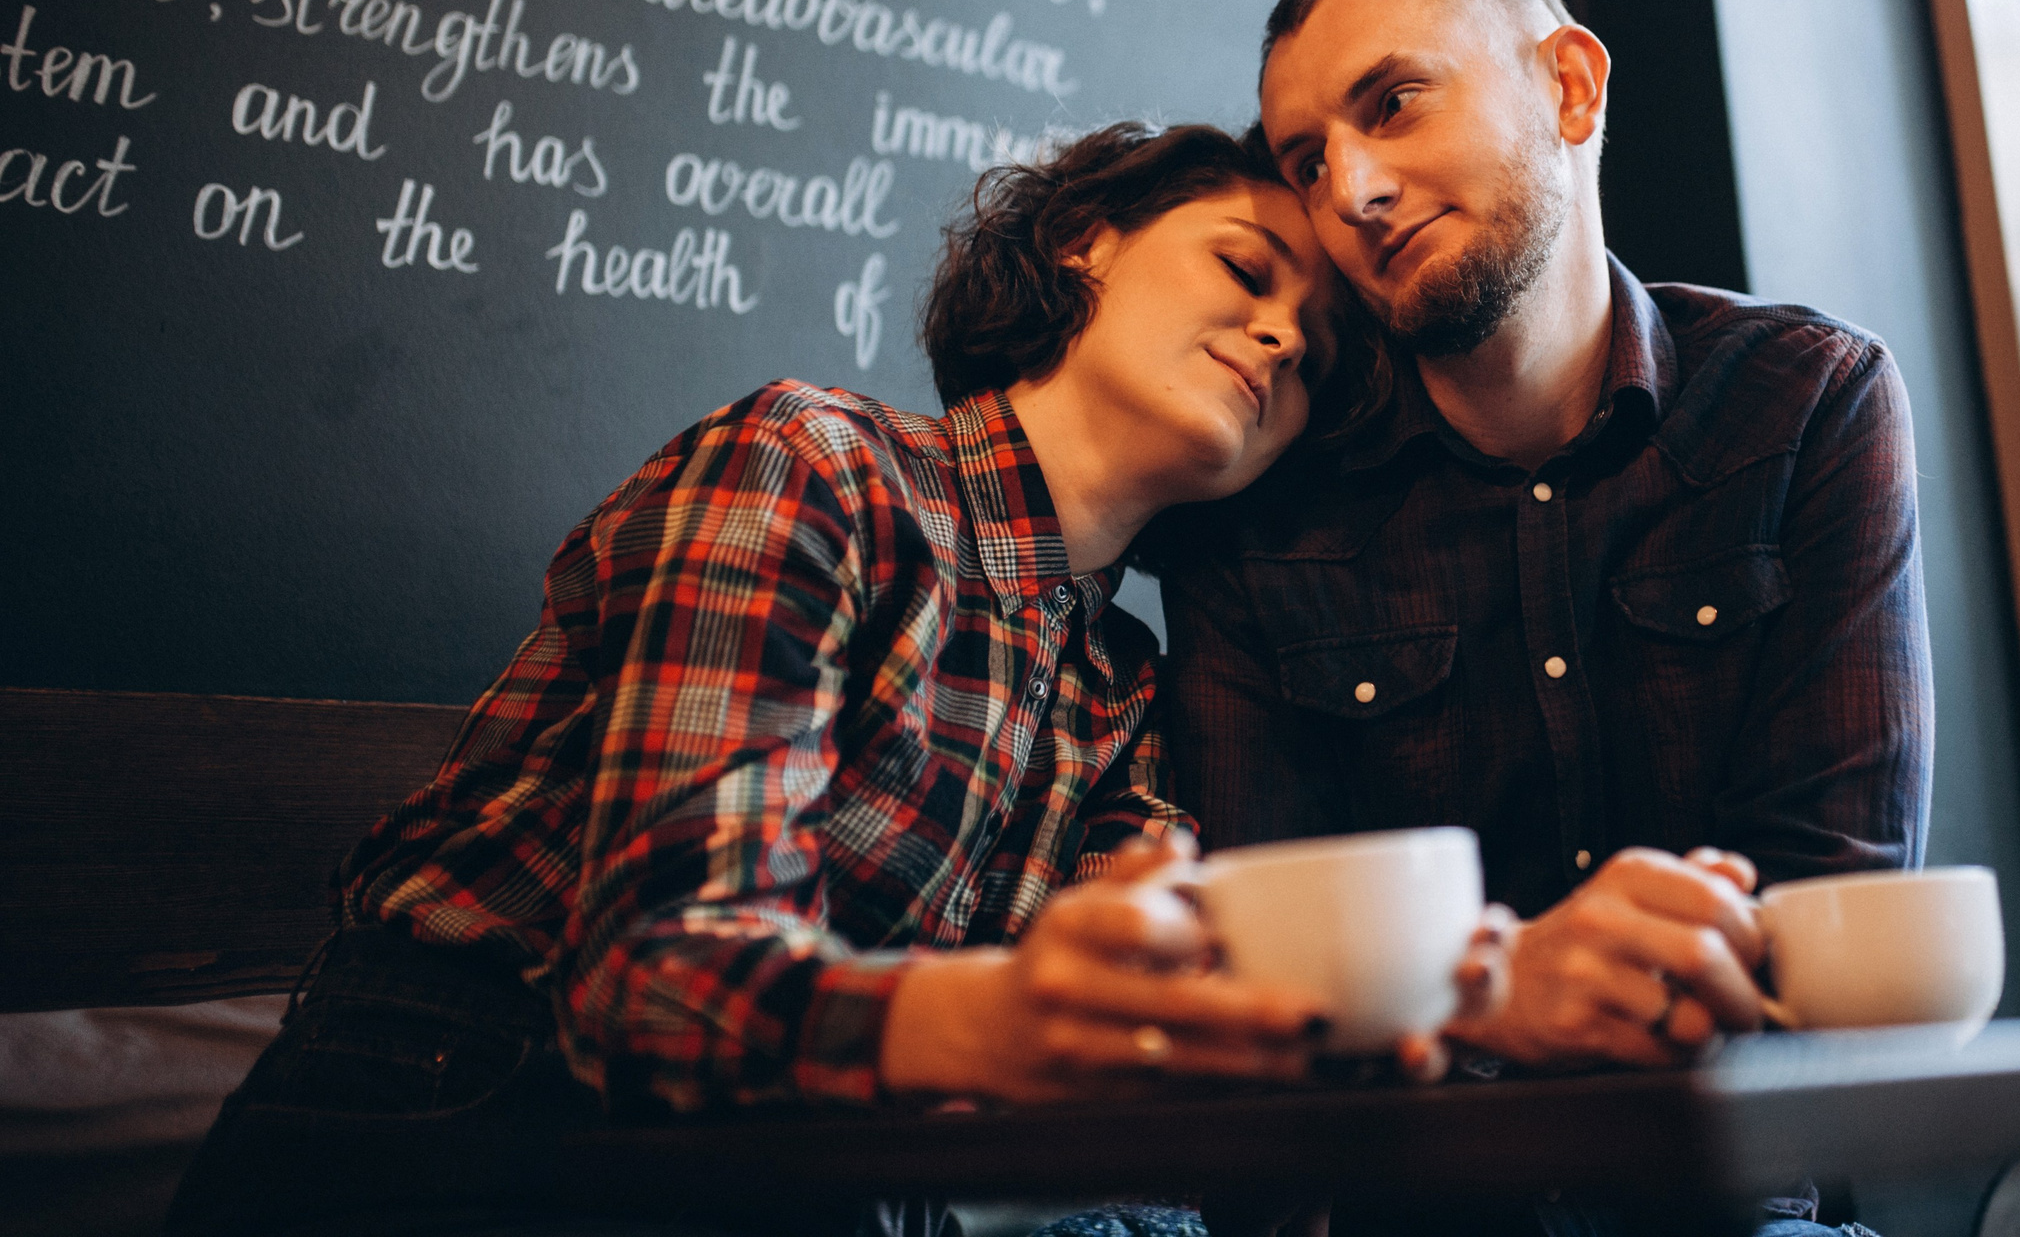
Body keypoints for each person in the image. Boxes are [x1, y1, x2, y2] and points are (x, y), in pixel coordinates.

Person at [168, 122, 1379, 1237]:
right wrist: (1004, 1024)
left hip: (816, 1177)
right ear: (1083, 243)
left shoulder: (1120, 682)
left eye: (1317, 353)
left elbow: (1117, 1011)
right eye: (1245, 269)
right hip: (464, 1102)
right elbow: (658, 980)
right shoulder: (817, 462)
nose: (1282, 337)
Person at [1159, 0, 1927, 1233]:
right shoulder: (1258, 519)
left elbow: (1833, 917)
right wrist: (1492, 989)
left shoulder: (1806, 403)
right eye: (1305, 161)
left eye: (1391, 104)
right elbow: (1257, 995)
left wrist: (1422, 998)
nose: (1349, 189)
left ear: (1570, 88)